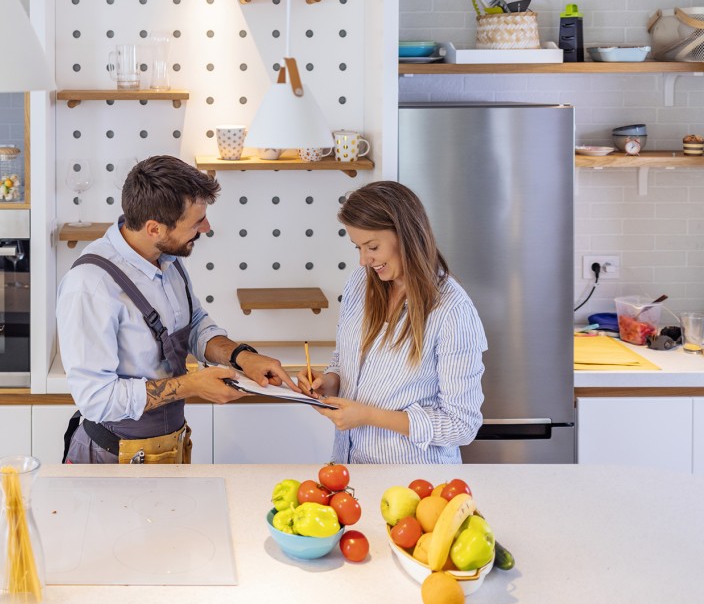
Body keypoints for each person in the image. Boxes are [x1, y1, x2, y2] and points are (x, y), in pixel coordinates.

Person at [57, 155, 298, 464]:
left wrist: (242, 357)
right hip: (111, 459)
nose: (207, 227)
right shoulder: (89, 286)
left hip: (169, 447)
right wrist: (191, 386)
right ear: (154, 228)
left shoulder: (167, 258)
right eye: (197, 222)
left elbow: (194, 323)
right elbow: (96, 399)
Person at [299, 181, 487, 464]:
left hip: (417, 485)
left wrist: (368, 416)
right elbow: (343, 358)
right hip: (351, 471)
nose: (364, 260)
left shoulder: (452, 311)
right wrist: (330, 381)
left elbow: (462, 426)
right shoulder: (360, 284)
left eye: (372, 246)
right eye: (357, 248)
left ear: (406, 235)